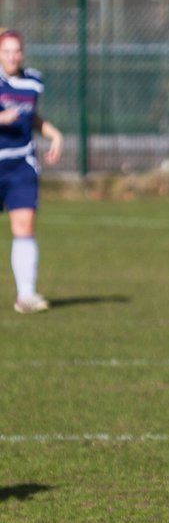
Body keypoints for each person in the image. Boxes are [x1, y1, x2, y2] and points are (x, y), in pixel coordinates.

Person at [0, 29, 63, 314]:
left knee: (24, 226)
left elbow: (32, 117)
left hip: (21, 165)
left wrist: (54, 134)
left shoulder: (32, 82)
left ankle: (26, 296)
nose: (12, 56)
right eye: (6, 51)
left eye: (17, 51)